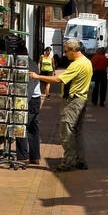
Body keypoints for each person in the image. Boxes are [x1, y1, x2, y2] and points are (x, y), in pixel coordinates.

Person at [31, 38, 93, 171]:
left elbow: (58, 79)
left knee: (67, 132)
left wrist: (37, 77)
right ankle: (80, 160)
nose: (65, 54)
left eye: (66, 51)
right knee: (77, 132)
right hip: (81, 99)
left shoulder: (77, 64)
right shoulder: (87, 62)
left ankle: (68, 162)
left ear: (73, 50)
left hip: (73, 101)